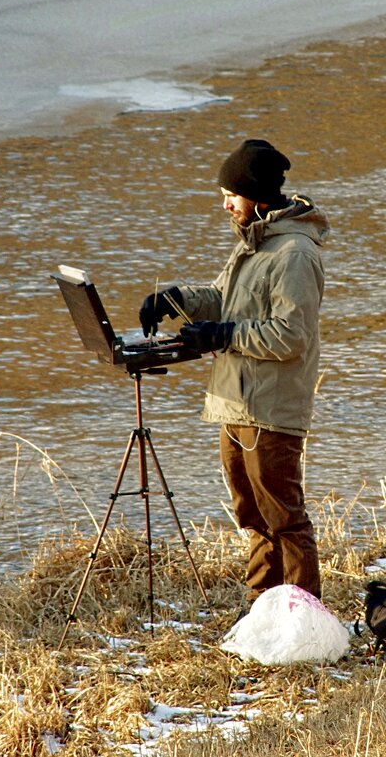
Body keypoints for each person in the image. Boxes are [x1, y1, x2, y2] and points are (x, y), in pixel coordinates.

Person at [139, 138, 330, 603]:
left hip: (270, 408)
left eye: (231, 194)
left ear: (258, 196)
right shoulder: (256, 241)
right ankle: (262, 608)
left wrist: (223, 335)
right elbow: (223, 298)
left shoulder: (294, 255)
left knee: (284, 518)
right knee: (253, 517)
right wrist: (177, 298)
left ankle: (306, 619)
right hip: (237, 403)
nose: (224, 204)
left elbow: (290, 335)